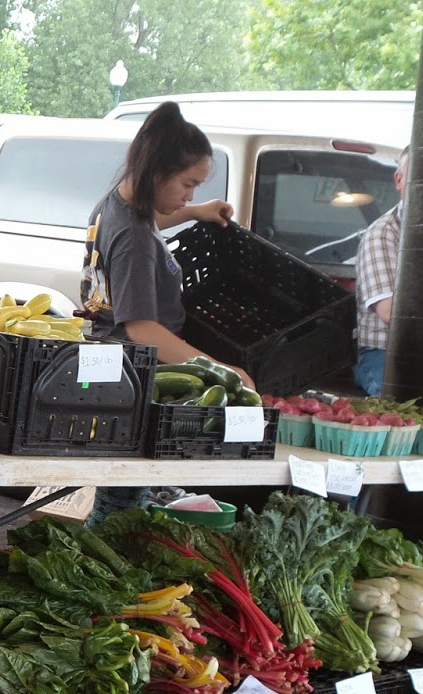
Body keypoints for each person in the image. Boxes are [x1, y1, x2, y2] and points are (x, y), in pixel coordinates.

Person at [79, 101, 251, 523]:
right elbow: (142, 330)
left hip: (112, 372)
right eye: (188, 185)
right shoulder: (135, 239)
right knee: (120, 505)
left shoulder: (118, 204)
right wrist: (222, 370)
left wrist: (196, 211)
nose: (190, 194)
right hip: (133, 378)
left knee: (122, 496)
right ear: (157, 172)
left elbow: (154, 214)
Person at [354, 145, 410, 397]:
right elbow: (389, 311)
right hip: (382, 352)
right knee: (399, 411)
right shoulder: (384, 233)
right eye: (419, 176)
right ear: (399, 180)